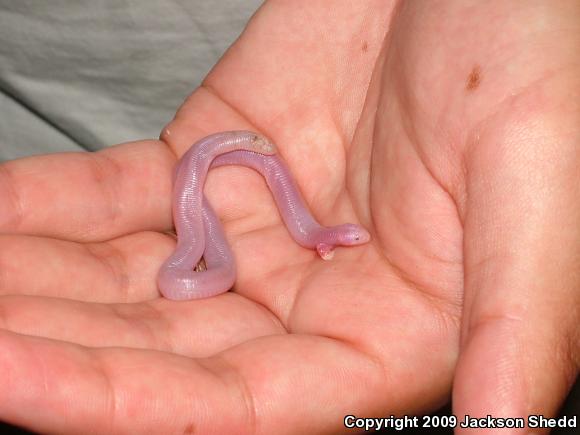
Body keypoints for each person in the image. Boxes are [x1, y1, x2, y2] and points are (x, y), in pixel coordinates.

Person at [0, 1, 578, 434]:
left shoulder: (307, 226)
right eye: (346, 237)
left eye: (342, 239)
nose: (348, 238)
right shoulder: (207, 206)